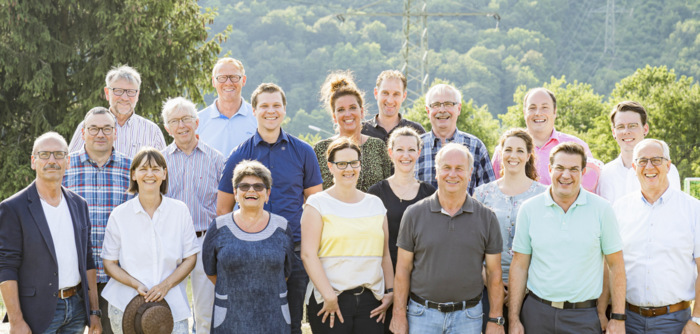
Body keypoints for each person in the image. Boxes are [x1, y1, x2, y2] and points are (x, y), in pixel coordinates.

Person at [215, 83, 323, 334]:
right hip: (250, 252)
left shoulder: (304, 152)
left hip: (293, 252)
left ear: (285, 109)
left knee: (292, 323)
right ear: (254, 110)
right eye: (264, 105)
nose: (270, 111)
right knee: (250, 321)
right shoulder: (240, 154)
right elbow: (223, 209)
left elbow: (316, 205)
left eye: (276, 105)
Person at [509, 142, 627, 334]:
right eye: (560, 168)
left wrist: (617, 317)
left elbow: (616, 266)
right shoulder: (529, 209)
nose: (566, 175)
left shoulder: (602, 209)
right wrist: (513, 319)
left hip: (583, 316)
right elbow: (519, 265)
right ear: (549, 169)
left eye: (574, 169)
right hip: (537, 313)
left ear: (583, 172)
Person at [391, 143, 505, 334]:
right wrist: (399, 314)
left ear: (469, 174)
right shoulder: (413, 214)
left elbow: (494, 274)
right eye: (446, 168)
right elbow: (403, 270)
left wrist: (496, 319)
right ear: (437, 172)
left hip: (468, 317)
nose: (452, 174)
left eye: (459, 169)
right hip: (421, 316)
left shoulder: (486, 217)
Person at [0, 132, 101, 333]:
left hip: (77, 310)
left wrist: (94, 311)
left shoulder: (79, 205)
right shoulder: (13, 208)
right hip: (36, 313)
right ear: (33, 161)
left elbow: (88, 261)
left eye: (58, 154)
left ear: (68, 162)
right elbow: (6, 266)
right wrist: (16, 320)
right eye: (44, 154)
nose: (52, 161)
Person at [301, 137, 394, 334]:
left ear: (360, 165)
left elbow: (385, 254)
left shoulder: (375, 204)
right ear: (330, 167)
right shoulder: (317, 204)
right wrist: (329, 296)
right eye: (341, 163)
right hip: (330, 300)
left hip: (371, 302)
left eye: (353, 163)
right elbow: (308, 254)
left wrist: (391, 292)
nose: (348, 169)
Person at [101, 148, 199, 333]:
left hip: (172, 307)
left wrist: (165, 285)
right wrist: (136, 284)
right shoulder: (120, 215)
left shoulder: (180, 211)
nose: (149, 174)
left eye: (155, 169)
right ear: (133, 174)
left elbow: (190, 258)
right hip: (125, 305)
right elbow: (109, 263)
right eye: (143, 168)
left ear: (164, 173)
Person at [613, 139, 700, 333]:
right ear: (634, 167)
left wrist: (697, 319)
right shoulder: (619, 209)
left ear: (668, 165)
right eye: (642, 161)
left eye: (656, 160)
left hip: (675, 322)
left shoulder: (694, 210)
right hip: (627, 320)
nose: (649, 166)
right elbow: (610, 266)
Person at [203, 160, 295, 333]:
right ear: (235, 193)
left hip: (273, 317)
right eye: (244, 186)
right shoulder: (219, 227)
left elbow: (286, 273)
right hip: (230, 318)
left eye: (258, 187)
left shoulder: (282, 227)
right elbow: (210, 271)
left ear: (267, 193)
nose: (251, 191)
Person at [63, 107, 131, 334]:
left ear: (115, 133)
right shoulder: (64, 167)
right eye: (93, 128)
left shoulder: (132, 169)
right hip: (73, 275)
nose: (100, 134)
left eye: (106, 129)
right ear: (83, 133)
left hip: (117, 276)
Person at [472, 128, 546, 332]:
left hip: (533, 289)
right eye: (509, 149)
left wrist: (521, 287)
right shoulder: (482, 194)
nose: (513, 156)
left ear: (529, 155)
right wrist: (491, 283)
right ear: (500, 153)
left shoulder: (544, 195)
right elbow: (473, 245)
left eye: (520, 151)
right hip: (487, 286)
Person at [161, 97, 224, 334]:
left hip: (205, 241)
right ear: (167, 128)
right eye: (175, 121)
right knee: (172, 310)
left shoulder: (217, 160)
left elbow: (226, 205)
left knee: (206, 310)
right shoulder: (160, 161)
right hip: (170, 242)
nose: (181, 125)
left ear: (196, 122)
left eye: (186, 118)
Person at [367, 126, 435, 334]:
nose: (406, 155)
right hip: (384, 283)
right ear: (390, 153)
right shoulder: (375, 193)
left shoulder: (430, 193)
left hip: (421, 283)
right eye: (400, 150)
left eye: (411, 150)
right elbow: (372, 242)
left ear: (419, 153)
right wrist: (388, 287)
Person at [491, 87, 599, 192]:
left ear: (554, 112)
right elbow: (494, 191)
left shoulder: (578, 147)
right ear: (524, 112)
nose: (538, 113)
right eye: (532, 108)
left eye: (544, 107)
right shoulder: (504, 152)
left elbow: (590, 191)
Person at [313, 70, 392, 192]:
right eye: (341, 110)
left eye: (352, 108)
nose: (348, 114)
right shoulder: (320, 150)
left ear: (362, 111)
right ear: (334, 116)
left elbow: (388, 190)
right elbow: (314, 195)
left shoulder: (378, 146)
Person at [68, 65, 166, 157]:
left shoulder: (152, 131)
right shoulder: (87, 127)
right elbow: (69, 165)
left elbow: (163, 170)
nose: (124, 97)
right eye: (118, 91)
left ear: (137, 95)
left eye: (130, 92)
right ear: (107, 92)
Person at [415, 84, 495, 195]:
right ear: (428, 111)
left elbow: (489, 194)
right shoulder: (414, 147)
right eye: (436, 105)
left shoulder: (476, 147)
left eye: (448, 104)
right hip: (421, 213)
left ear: (458, 109)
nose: (442, 110)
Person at [598, 101, 681, 203]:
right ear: (614, 132)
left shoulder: (666, 170)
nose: (626, 131)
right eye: (620, 127)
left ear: (645, 129)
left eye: (632, 126)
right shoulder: (604, 173)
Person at [197, 57, 257, 157]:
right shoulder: (198, 121)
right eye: (222, 77)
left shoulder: (258, 118)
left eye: (234, 77)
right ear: (213, 81)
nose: (228, 83)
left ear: (243, 80)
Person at [361, 70, 425, 142]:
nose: (390, 100)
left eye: (396, 94)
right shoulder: (361, 131)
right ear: (376, 93)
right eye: (385, 93)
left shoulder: (417, 131)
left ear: (404, 96)